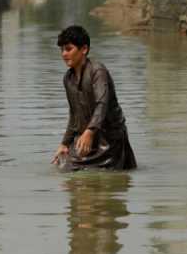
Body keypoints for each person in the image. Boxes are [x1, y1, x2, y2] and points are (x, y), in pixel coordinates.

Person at [51, 25, 137, 171]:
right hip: (86, 137)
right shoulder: (68, 78)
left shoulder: (97, 71)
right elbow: (74, 114)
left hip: (109, 140)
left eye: (68, 49)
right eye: (62, 50)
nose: (64, 54)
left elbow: (101, 104)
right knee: (61, 163)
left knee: (81, 174)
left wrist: (89, 132)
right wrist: (64, 143)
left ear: (84, 49)